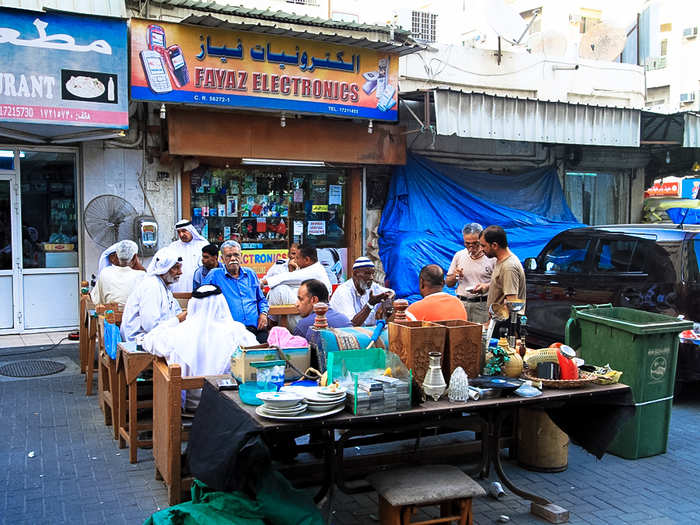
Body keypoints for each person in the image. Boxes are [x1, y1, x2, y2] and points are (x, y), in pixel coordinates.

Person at [138, 284, 258, 409]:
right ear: (222, 304)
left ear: (193, 305)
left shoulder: (177, 332)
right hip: (229, 405)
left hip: (190, 407)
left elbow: (149, 339)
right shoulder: (237, 331)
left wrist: (176, 320)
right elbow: (258, 353)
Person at [204, 240, 270, 343]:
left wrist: (263, 314)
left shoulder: (250, 274)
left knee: (265, 353)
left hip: (256, 328)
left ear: (241, 256)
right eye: (228, 256)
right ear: (222, 259)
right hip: (230, 332)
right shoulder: (215, 275)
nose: (233, 259)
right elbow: (202, 298)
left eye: (236, 255)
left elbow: (261, 299)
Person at [120, 247, 187, 341]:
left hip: (156, 336)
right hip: (139, 339)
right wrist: (177, 320)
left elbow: (177, 313)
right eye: (176, 268)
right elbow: (150, 326)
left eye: (180, 267)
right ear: (164, 269)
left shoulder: (165, 287)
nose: (180, 272)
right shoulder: (151, 286)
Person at [261, 244, 331, 331]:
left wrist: (262, 282)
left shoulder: (314, 270)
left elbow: (287, 278)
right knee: (279, 289)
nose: (295, 260)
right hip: (305, 312)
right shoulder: (308, 268)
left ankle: (272, 323)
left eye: (297, 258)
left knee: (278, 290)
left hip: (313, 316)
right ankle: (272, 322)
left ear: (307, 260)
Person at [445, 223, 495, 324]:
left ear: (482, 239)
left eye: (475, 243)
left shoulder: (491, 258)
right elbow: (448, 283)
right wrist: (455, 276)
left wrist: (487, 286)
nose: (471, 247)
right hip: (461, 304)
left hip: (482, 305)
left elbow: (500, 283)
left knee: (480, 336)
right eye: (467, 244)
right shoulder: (459, 256)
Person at [474, 225, 526, 313]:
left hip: (504, 324)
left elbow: (512, 304)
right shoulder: (501, 261)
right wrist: (488, 286)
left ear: (494, 245)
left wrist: (492, 322)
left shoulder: (508, 267)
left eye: (483, 246)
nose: (481, 249)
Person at [329, 256, 394, 326]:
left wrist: (388, 299)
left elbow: (391, 292)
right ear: (354, 274)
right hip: (345, 333)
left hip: (365, 333)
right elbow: (352, 325)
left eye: (373, 273)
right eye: (367, 273)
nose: (371, 277)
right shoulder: (343, 292)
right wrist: (370, 304)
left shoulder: (371, 286)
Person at [90, 240, 145, 305]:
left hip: (108, 314)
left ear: (116, 255)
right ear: (135, 257)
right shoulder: (142, 276)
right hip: (131, 315)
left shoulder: (105, 273)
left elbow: (96, 300)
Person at [169, 219, 208, 293]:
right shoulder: (173, 247)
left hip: (198, 285)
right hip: (179, 287)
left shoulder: (203, 245)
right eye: (179, 232)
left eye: (184, 231)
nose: (181, 235)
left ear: (191, 230)